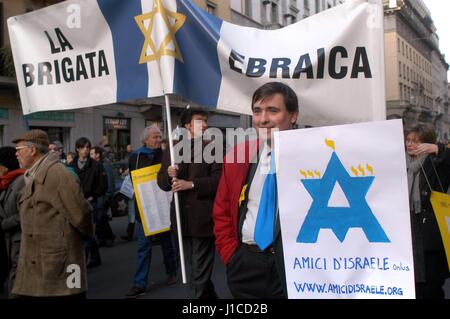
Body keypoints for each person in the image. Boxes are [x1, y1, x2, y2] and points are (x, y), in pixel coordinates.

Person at [213, 82, 299, 299]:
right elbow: (221, 211)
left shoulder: (311, 155)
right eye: (257, 111)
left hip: (292, 267)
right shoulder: (237, 156)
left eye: (273, 110)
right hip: (245, 266)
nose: (263, 119)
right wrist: (231, 257)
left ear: (293, 116)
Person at [12, 129, 93, 298]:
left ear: (32, 150)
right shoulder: (34, 174)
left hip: (61, 263)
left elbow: (81, 213)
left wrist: (74, 242)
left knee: (71, 293)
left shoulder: (58, 174)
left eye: (19, 150)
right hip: (42, 263)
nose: (16, 155)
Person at [157, 108, 222, 299]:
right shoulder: (173, 147)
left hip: (202, 220)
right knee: (195, 270)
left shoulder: (215, 147)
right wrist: (169, 175)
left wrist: (192, 184)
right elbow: (161, 182)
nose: (205, 124)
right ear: (187, 126)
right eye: (199, 121)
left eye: (205, 121)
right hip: (180, 219)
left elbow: (219, 181)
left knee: (198, 275)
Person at [126, 126, 177, 298]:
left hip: (163, 206)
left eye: (160, 136)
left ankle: (172, 272)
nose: (158, 139)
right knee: (144, 247)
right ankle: (140, 284)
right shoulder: (136, 156)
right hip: (145, 209)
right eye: (155, 137)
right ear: (145, 139)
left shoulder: (165, 155)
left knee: (167, 244)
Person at [405, 125, 450, 299]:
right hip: (410, 233)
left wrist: (439, 149)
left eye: (415, 141)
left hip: (430, 235)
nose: (409, 144)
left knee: (431, 288)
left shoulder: (435, 163)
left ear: (426, 143)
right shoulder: (405, 166)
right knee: (413, 287)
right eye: (408, 140)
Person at [69, 137, 107, 268]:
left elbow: (103, 186)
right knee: (83, 232)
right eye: (83, 147)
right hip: (75, 202)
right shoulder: (71, 166)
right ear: (77, 149)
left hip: (91, 202)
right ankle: (95, 257)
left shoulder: (96, 165)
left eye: (88, 147)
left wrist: (93, 196)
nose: (85, 150)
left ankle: (82, 263)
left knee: (87, 232)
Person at [0, 147, 25, 297]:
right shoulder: (4, 182)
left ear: (5, 165)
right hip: (8, 239)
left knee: (17, 277)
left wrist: (4, 224)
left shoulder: (21, 181)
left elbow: (25, 214)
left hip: (18, 238)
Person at [90, 146, 116, 247]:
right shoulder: (95, 165)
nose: (90, 156)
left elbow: (110, 182)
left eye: (92, 154)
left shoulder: (105, 165)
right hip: (97, 196)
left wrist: (108, 196)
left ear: (98, 155)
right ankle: (108, 236)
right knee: (101, 218)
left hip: (104, 197)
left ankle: (104, 238)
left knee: (100, 218)